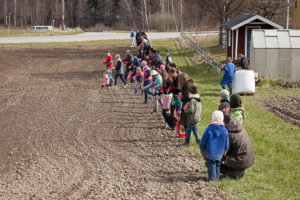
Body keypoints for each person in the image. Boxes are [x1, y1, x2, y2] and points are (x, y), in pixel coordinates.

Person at [221, 111, 255, 179]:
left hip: (241, 160)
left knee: (216, 163)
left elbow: (224, 151)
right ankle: (238, 170)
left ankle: (236, 173)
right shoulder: (235, 124)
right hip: (247, 158)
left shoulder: (229, 133)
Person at [200, 111, 229, 181]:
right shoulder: (224, 130)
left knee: (211, 165)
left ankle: (212, 179)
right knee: (218, 165)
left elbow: (203, 140)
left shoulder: (209, 129)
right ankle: (217, 177)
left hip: (210, 151)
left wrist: (202, 148)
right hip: (220, 152)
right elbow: (226, 142)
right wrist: (226, 149)